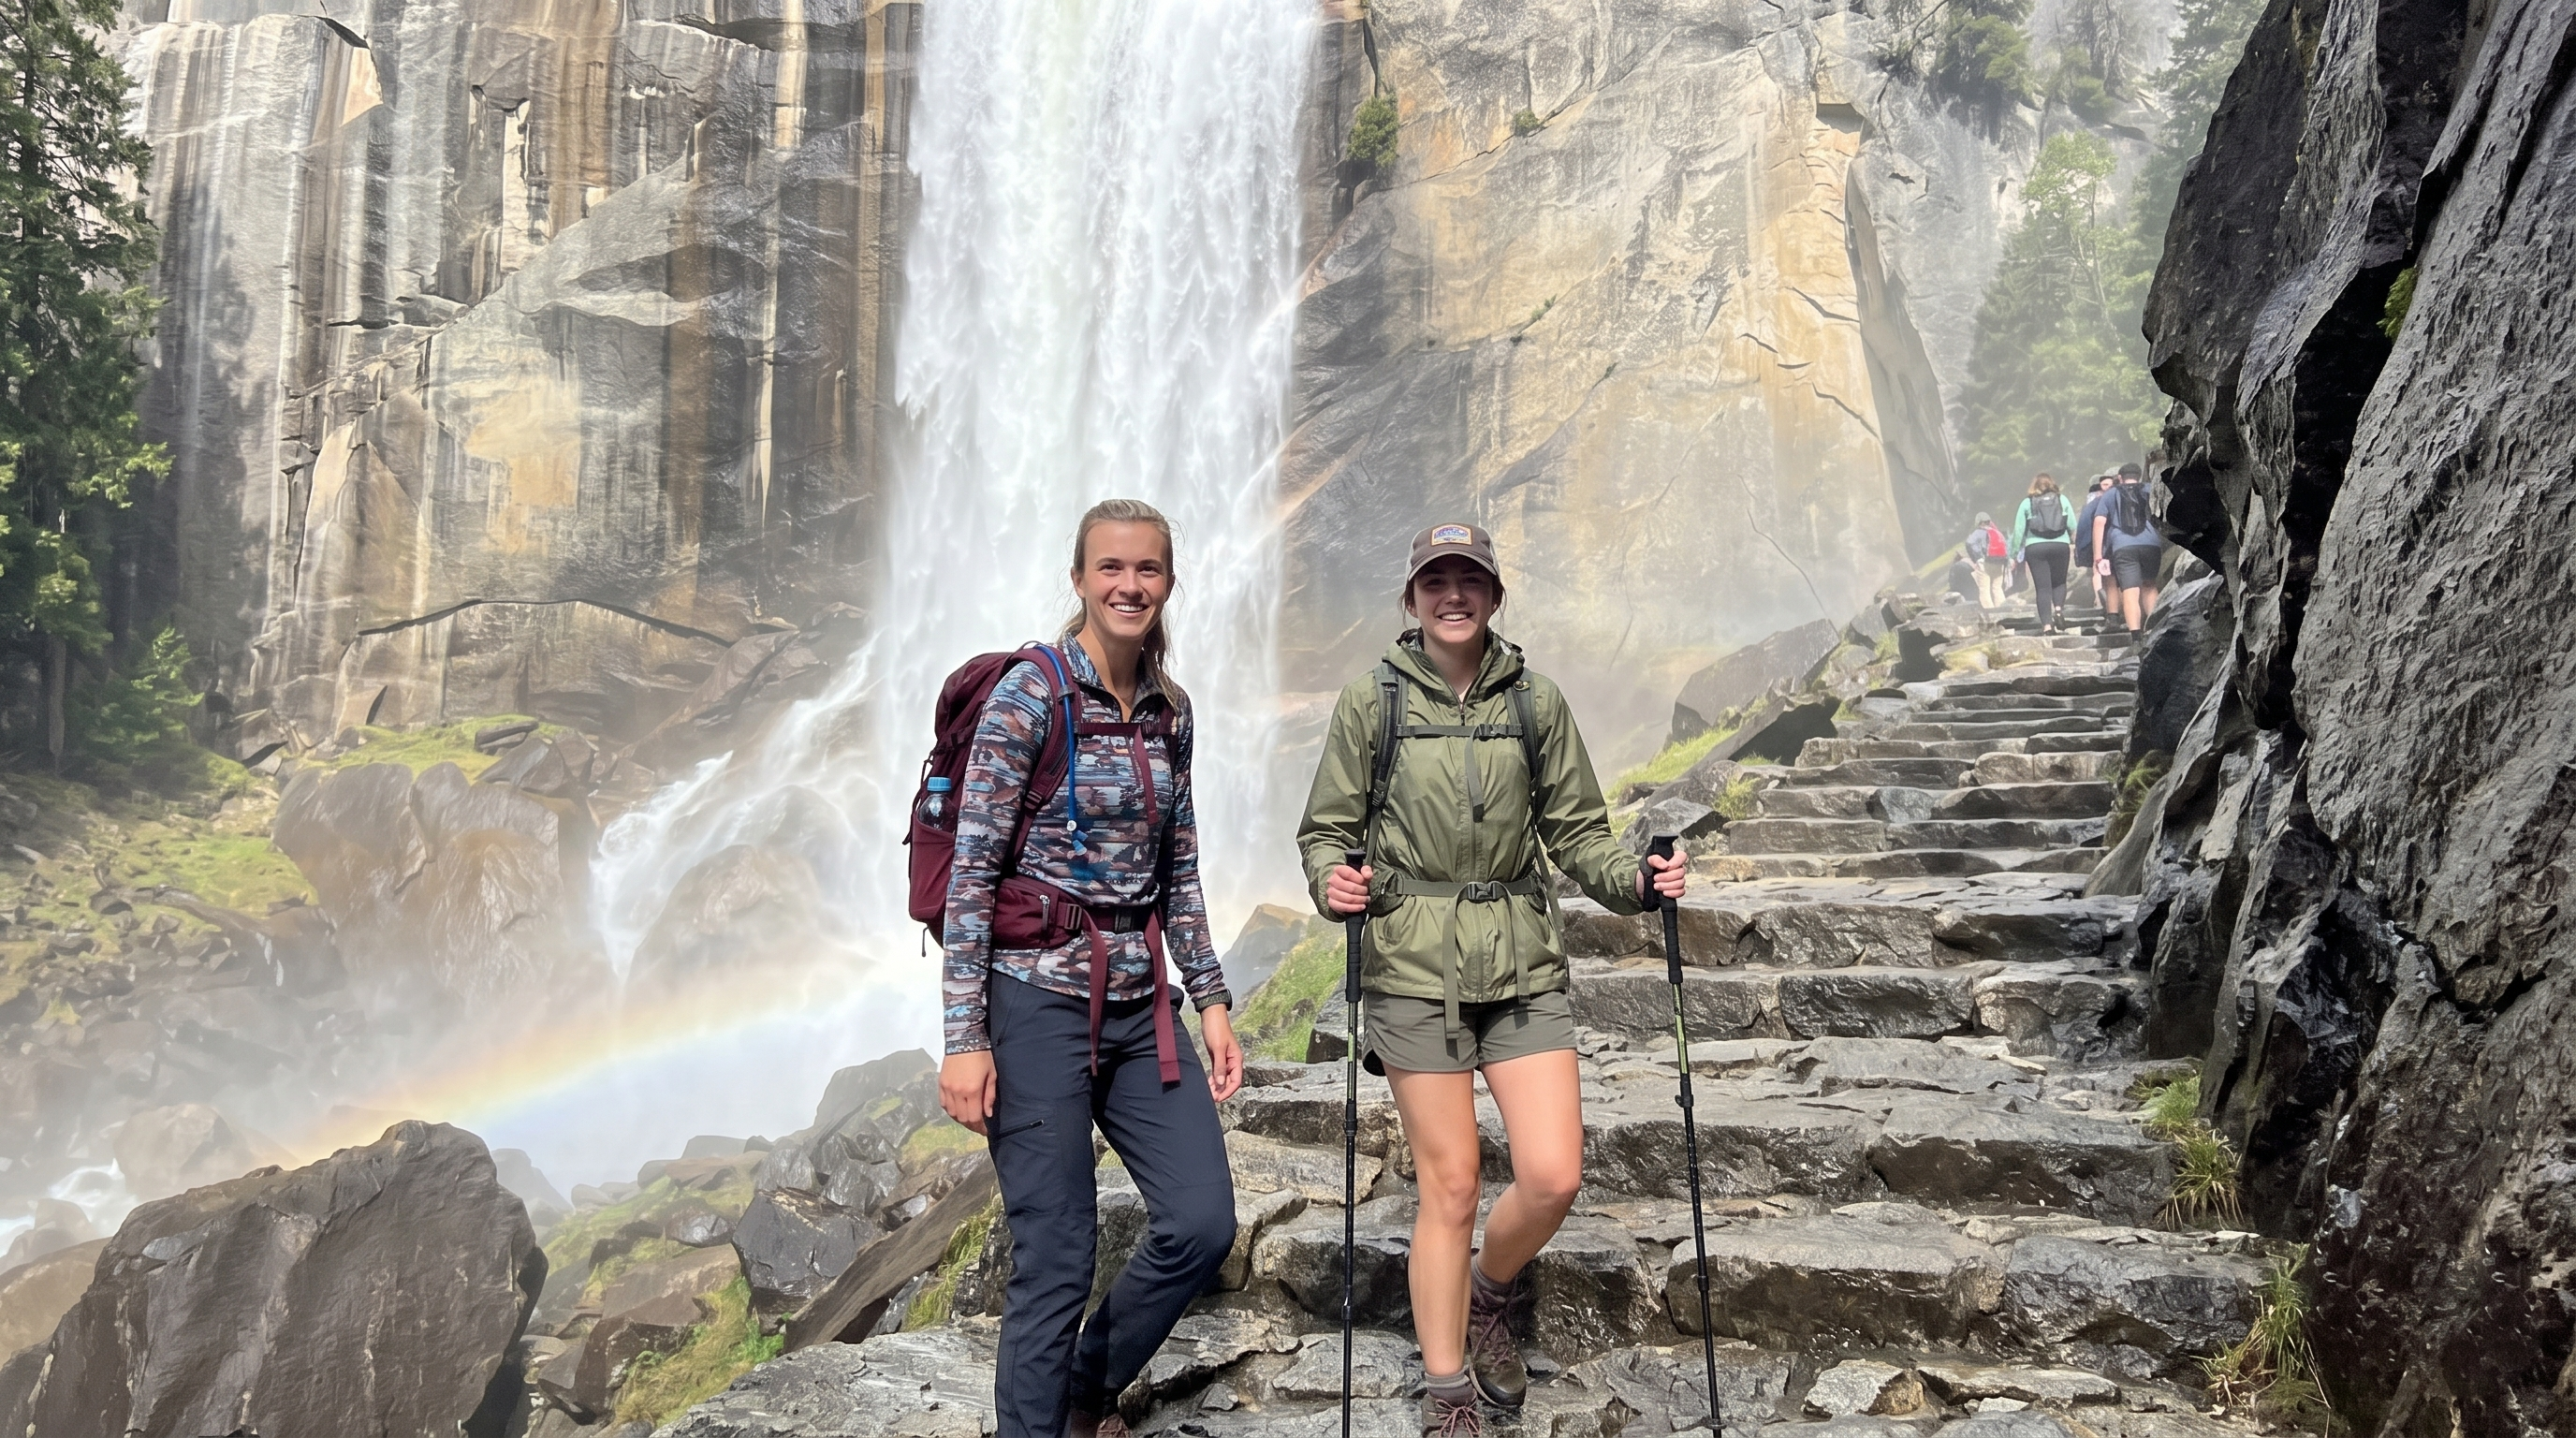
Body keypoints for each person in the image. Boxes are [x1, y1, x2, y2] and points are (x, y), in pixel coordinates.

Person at [1295, 523, 1689, 1437]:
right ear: (1411, 599)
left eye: (1469, 579)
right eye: (1435, 580)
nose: (1453, 594)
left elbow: (1579, 833)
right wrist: (1330, 882)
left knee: (1553, 1175)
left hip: (1519, 960)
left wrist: (1636, 882)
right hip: (1411, 963)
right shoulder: (1371, 702)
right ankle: (1447, 1394)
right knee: (1452, 1185)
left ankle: (1491, 1290)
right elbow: (1325, 832)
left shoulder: (1534, 701)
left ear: (1494, 595)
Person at [937, 499, 1243, 1438]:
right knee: (1057, 1257)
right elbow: (972, 873)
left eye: (1147, 569)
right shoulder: (1031, 696)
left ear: (1169, 582)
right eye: (1110, 567)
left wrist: (1211, 999)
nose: (1129, 585)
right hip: (1036, 1004)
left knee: (1201, 1221)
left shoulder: (1170, 712)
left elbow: (1178, 868)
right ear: (1078, 579)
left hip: (1140, 1008)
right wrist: (964, 1039)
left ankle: (1084, 1386)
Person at [2093, 464, 2165, 634]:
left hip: (2123, 546)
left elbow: (2099, 522)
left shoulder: (2111, 493)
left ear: (2120, 478)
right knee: (2149, 586)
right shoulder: (2150, 489)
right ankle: (2154, 631)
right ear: (2139, 476)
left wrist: (2098, 556)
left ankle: (2136, 637)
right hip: (2151, 544)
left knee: (2130, 591)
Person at [2011, 473, 2075, 634]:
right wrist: (2075, 543)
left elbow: (2018, 531)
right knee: (2059, 582)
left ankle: (2047, 626)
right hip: (2060, 545)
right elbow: (2072, 525)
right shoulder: (2062, 500)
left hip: (2036, 547)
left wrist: (2013, 554)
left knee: (2042, 588)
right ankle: (2058, 610)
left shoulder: (2027, 503)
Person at [2072, 473, 2117, 621]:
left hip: (2106, 541)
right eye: (2105, 485)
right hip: (2102, 541)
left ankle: (2102, 602)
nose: (2108, 487)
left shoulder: (2094, 501)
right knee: (2100, 571)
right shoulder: (2107, 500)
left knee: (2101, 572)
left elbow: (2084, 524)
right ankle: (2101, 601)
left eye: (2110, 484)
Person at [1963, 512, 2010, 610]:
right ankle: (2003, 610)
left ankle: (1989, 612)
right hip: (2000, 563)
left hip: (1985, 564)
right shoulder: (1997, 533)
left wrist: (1977, 558)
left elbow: (1969, 543)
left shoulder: (1978, 532)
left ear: (1979, 522)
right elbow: (2006, 547)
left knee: (1984, 589)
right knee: (1997, 588)